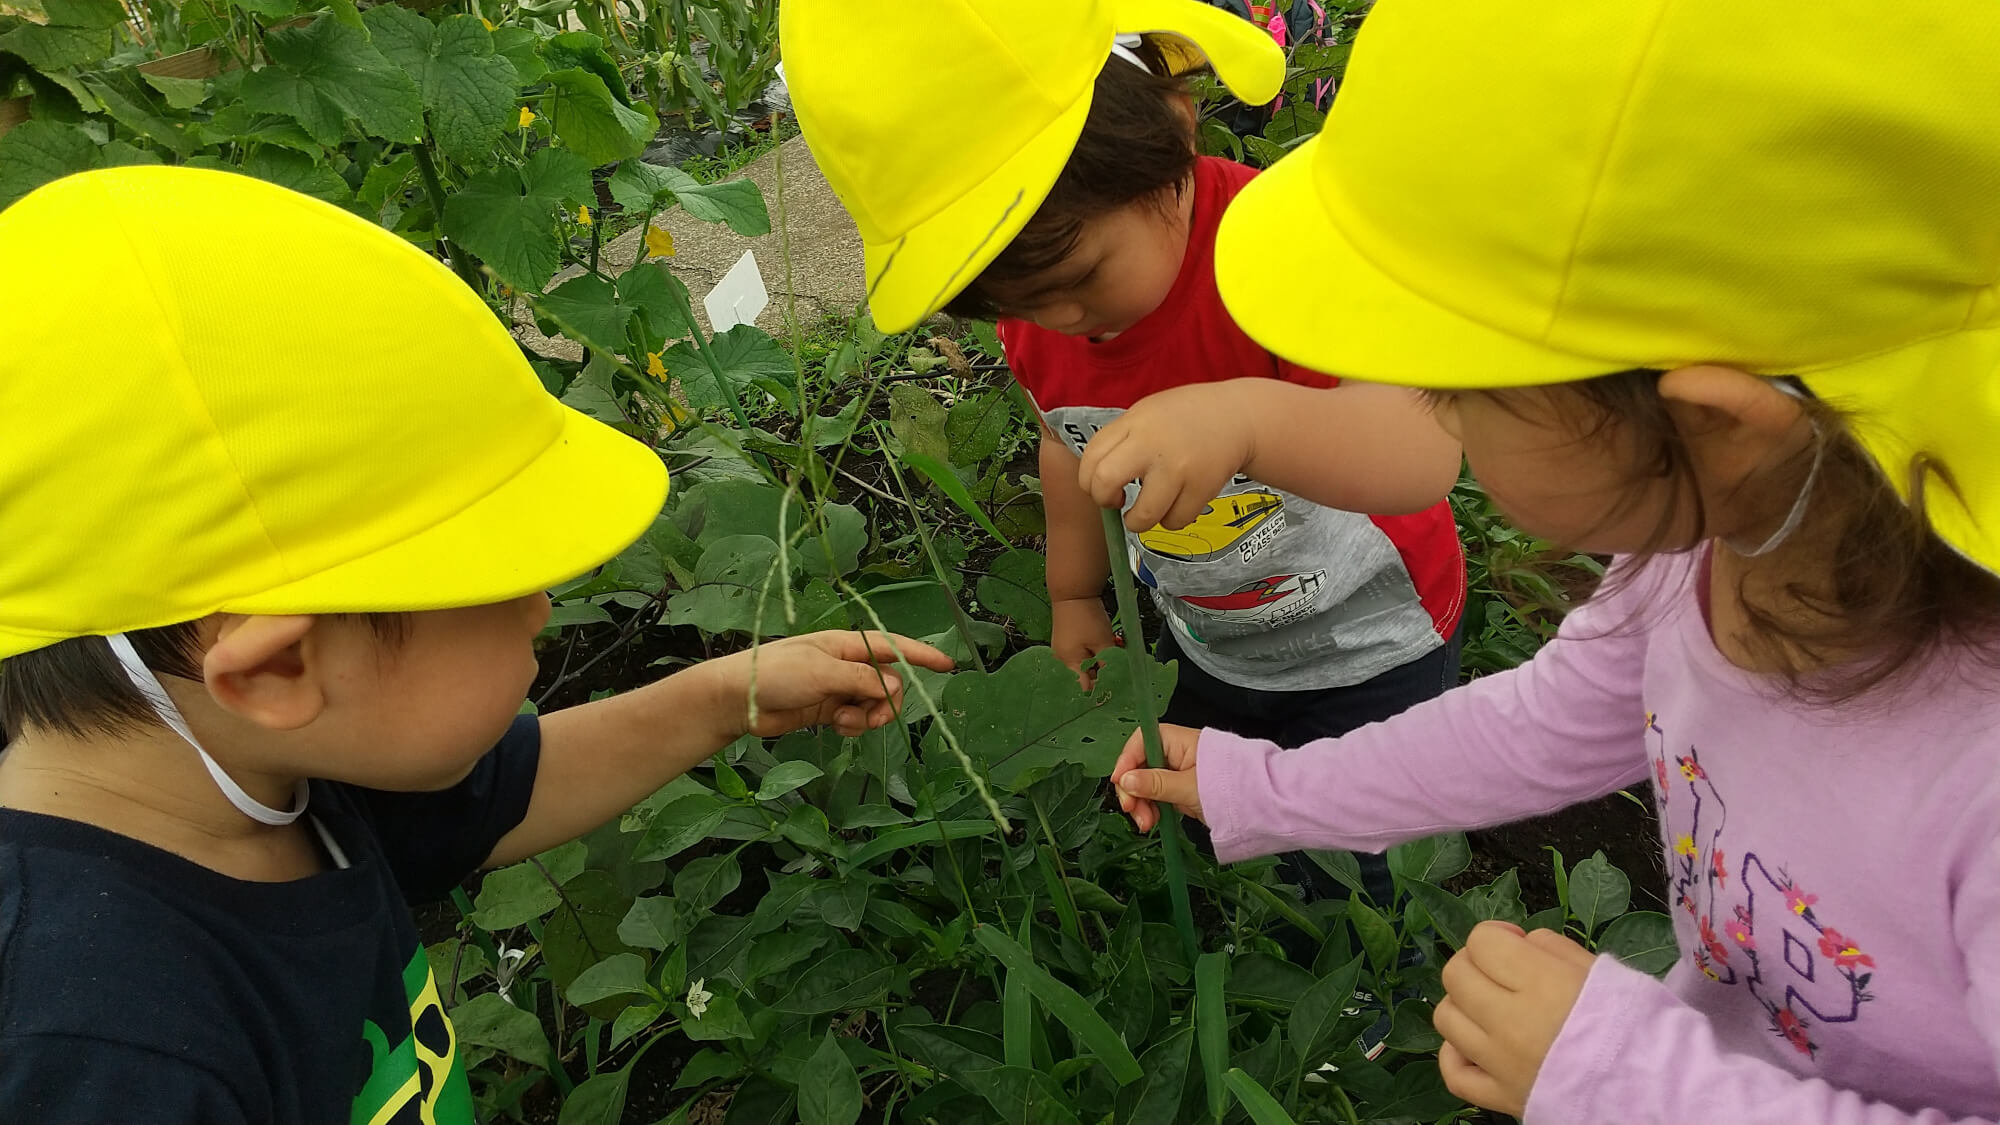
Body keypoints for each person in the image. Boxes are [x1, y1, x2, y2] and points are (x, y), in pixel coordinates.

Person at [1110, 0, 2000, 1120]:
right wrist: (1268, 788)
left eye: (1457, 390)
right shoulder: (1709, 563)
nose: (1439, 419)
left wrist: (1622, 1084)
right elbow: (1534, 726)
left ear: (1716, 427)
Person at [0, 166, 954, 1124]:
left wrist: (723, 698)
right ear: (278, 665)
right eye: (493, 579)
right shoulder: (97, 1057)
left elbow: (497, 798)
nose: (541, 603)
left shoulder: (250, 771)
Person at [781, 0, 1466, 943]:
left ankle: (1368, 981)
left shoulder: (1280, 250)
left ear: (1171, 140)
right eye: (1012, 303)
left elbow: (1423, 453)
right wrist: (1072, 597)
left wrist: (1246, 420)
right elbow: (1068, 447)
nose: (1059, 319)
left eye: (1080, 276)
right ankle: (1267, 928)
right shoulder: (1044, 325)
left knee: (1370, 835)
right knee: (1228, 792)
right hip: (1216, 638)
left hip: (1371, 640)